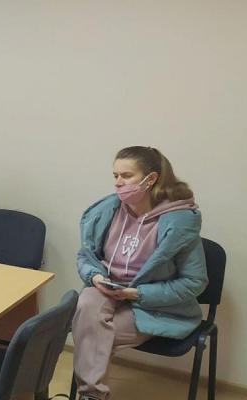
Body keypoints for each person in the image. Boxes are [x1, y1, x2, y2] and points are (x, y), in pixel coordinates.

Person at [72, 146, 207, 400]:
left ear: (151, 179)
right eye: (115, 176)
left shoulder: (179, 223)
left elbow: (194, 282)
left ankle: (91, 395)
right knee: (87, 302)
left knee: (92, 336)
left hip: (151, 304)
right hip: (107, 288)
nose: (118, 183)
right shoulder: (108, 211)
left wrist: (136, 293)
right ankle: (93, 395)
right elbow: (85, 255)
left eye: (126, 176)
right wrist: (96, 277)